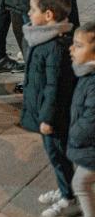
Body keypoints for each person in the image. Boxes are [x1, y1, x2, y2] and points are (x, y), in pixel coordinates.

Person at [20, 0, 77, 217]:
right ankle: (68, 189)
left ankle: (69, 198)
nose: (29, 13)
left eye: (33, 9)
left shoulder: (53, 46)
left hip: (53, 117)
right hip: (47, 111)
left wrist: (46, 118)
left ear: (48, 15)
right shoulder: (44, 38)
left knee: (58, 155)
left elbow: (54, 88)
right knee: (56, 155)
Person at [68, 21, 95, 217]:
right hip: (88, 146)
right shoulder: (86, 74)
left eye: (79, 45)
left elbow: (91, 118)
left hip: (90, 146)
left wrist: (74, 135)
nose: (71, 49)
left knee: (80, 182)